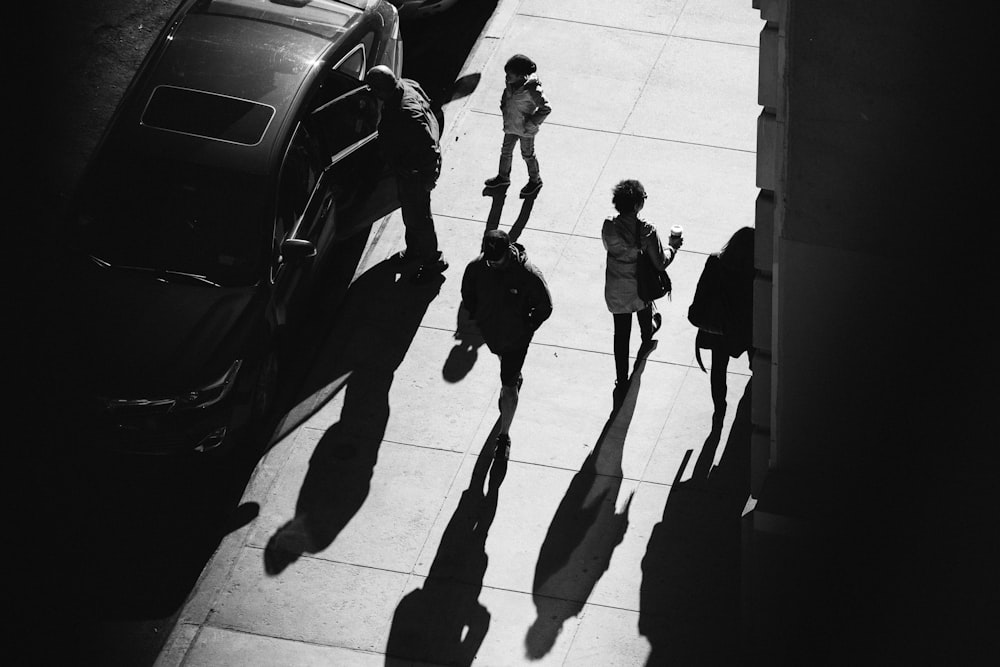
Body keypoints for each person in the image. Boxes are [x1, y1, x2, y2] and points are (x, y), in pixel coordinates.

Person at [461, 230, 553, 460]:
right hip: (492, 335)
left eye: (497, 259)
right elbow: (468, 294)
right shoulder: (477, 268)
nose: (492, 263)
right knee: (506, 369)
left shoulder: (527, 274)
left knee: (508, 387)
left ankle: (503, 436)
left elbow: (545, 306)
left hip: (515, 340)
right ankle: (513, 377)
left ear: (508, 251)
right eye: (489, 259)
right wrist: (480, 316)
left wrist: (526, 327)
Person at [365, 65, 447, 282]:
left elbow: (428, 146)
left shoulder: (405, 114)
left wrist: (429, 177)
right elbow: (434, 112)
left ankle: (433, 261)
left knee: (419, 217)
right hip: (409, 170)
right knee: (411, 213)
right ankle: (415, 251)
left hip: (416, 174)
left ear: (380, 91)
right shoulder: (408, 84)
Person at [602, 179, 682, 398]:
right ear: (637, 205)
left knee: (621, 333)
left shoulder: (608, 226)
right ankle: (647, 336)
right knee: (644, 306)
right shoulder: (646, 230)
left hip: (616, 287)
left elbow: (608, 246)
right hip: (638, 286)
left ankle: (621, 379)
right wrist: (672, 248)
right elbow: (660, 263)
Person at [695, 226, 755, 421]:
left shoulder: (715, 261)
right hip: (744, 327)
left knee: (718, 368)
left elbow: (702, 291)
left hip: (720, 326)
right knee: (756, 358)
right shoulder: (753, 271)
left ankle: (719, 408)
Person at [483, 54, 552, 199]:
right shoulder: (510, 84)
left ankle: (535, 180)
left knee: (527, 154)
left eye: (510, 75)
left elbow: (546, 108)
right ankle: (503, 177)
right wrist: (504, 108)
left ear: (521, 75)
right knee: (505, 151)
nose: (507, 77)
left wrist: (532, 123)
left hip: (526, 130)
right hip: (511, 125)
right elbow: (505, 96)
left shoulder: (533, 89)